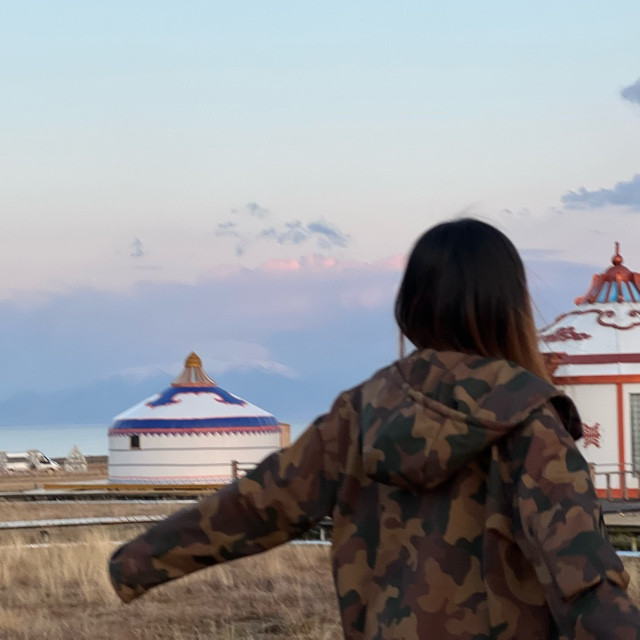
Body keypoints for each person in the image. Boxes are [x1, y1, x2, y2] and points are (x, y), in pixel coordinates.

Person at [109, 218, 640, 639]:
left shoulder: (359, 413)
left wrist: (137, 560)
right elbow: (586, 582)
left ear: (410, 309)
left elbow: (257, 504)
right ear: (511, 309)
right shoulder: (529, 420)